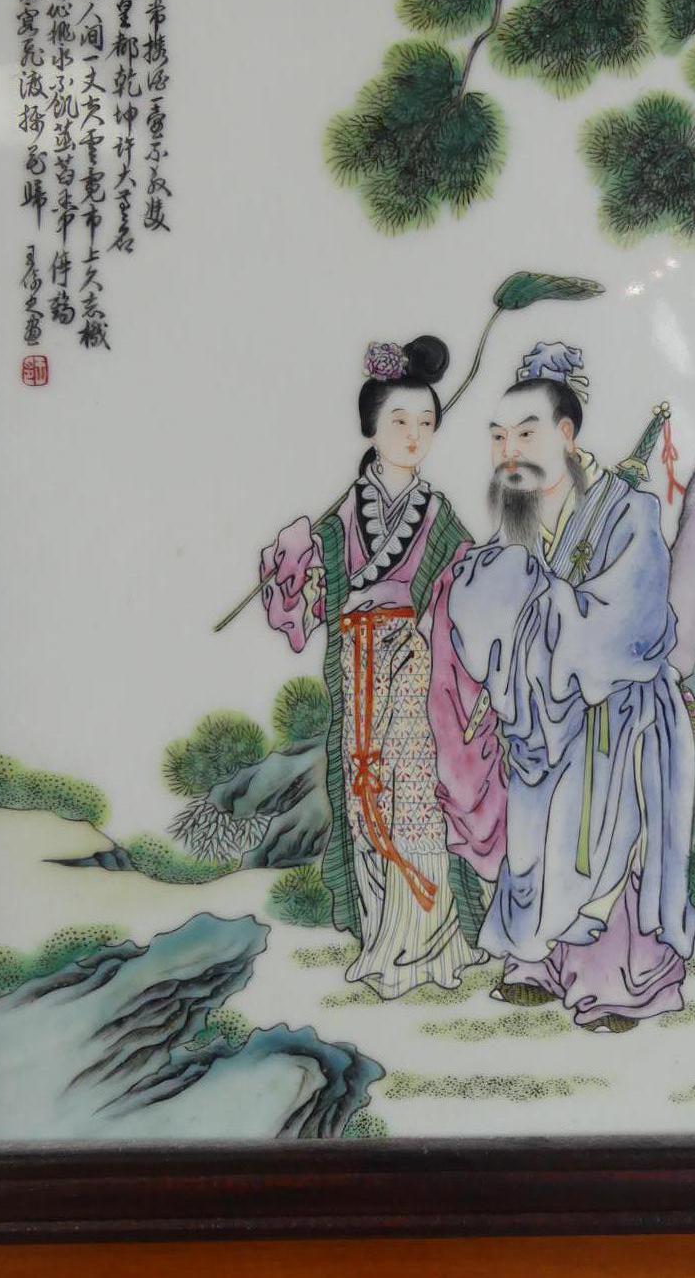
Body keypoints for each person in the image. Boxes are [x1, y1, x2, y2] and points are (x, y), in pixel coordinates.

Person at [446, 342, 695, 1031]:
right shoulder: (518, 520)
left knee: (606, 841)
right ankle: (534, 962)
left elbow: (631, 619)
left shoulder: (628, 511)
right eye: (498, 437)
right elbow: (485, 607)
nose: (509, 451)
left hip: (615, 714)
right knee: (534, 841)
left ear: (564, 434)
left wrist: (540, 603)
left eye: (525, 434)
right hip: (540, 715)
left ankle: (617, 985)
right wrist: (508, 595)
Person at [260, 335, 507, 999]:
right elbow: (309, 603)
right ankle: (381, 935)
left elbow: (467, 587)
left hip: (417, 667)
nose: (413, 436)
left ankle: (429, 942)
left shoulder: (439, 515)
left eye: (425, 423)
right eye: (399, 421)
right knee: (362, 788)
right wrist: (291, 565)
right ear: (371, 426)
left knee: (416, 794)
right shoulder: (340, 518)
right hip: (357, 663)